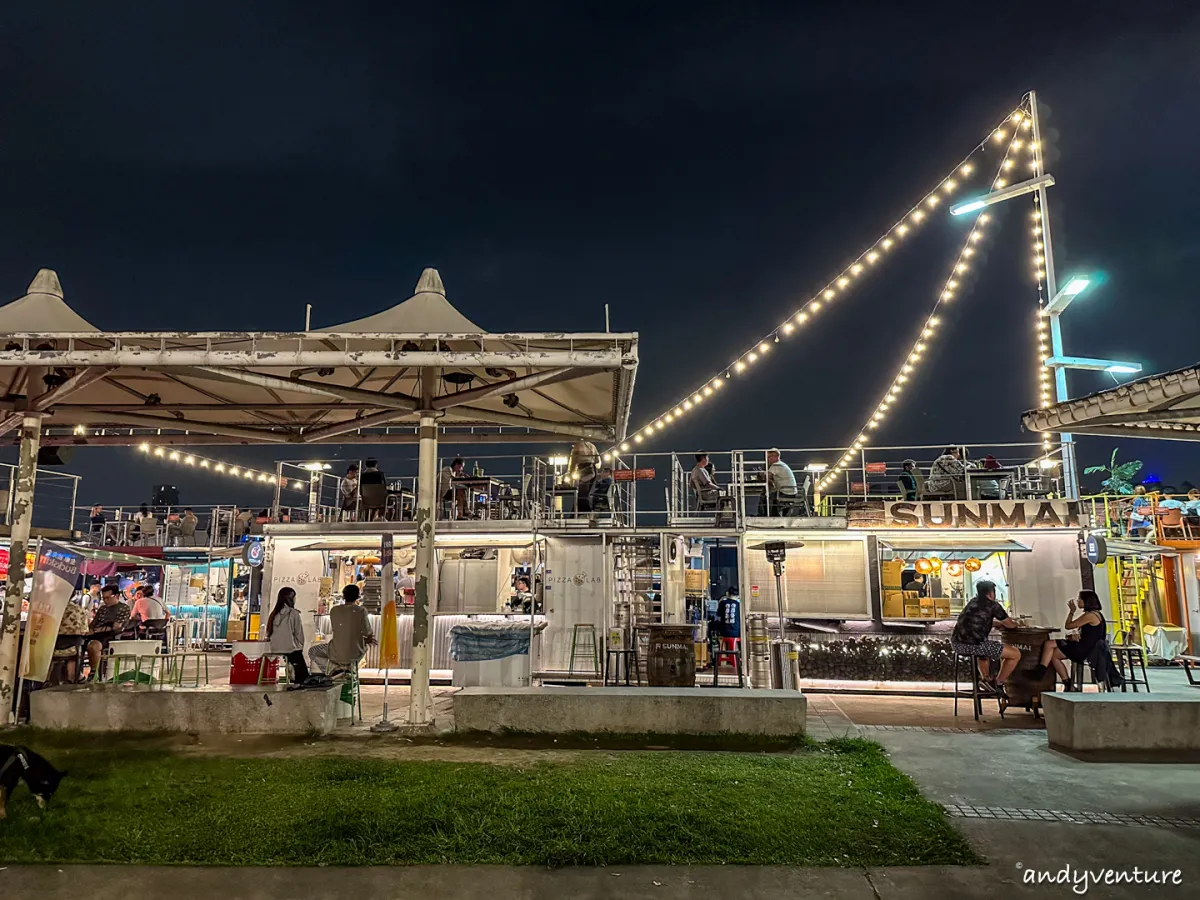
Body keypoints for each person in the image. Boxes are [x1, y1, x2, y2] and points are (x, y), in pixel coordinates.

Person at [950, 580, 1021, 705]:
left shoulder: (972, 602)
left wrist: (993, 623)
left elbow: (977, 619)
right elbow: (1010, 625)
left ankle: (986, 679)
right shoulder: (993, 605)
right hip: (975, 646)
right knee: (1015, 654)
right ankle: (998, 684)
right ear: (990, 593)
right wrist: (1018, 624)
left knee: (983, 649)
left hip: (958, 645)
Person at [308, 584, 376, 674]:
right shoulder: (361, 611)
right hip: (356, 653)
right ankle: (346, 669)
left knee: (312, 651)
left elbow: (340, 629)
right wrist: (366, 640)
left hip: (335, 651)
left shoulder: (334, 610)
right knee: (364, 646)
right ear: (358, 596)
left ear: (343, 596)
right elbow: (367, 632)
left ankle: (335, 669)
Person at [84, 584, 132, 680]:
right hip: (95, 634)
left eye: (108, 598)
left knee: (93, 646)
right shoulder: (102, 608)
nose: (105, 600)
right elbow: (94, 623)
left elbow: (116, 627)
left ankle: (94, 672)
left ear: (117, 596)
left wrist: (95, 630)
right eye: (104, 598)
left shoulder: (124, 608)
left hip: (110, 636)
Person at [266, 586, 310, 683]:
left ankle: (298, 679)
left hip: (274, 647)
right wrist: (300, 646)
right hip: (290, 647)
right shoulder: (293, 613)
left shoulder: (274, 614)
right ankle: (301, 681)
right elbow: (299, 634)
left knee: (294, 654)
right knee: (297, 655)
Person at [52, 596, 92, 683]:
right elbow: (84, 631)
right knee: (76, 649)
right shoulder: (80, 610)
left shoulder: (50, 609)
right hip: (72, 648)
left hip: (50, 648)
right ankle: (72, 677)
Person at [569, 439, 600, 515]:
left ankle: (582, 512)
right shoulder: (592, 445)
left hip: (584, 469)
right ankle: (585, 511)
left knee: (582, 492)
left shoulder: (577, 446)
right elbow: (597, 460)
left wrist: (571, 472)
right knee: (587, 492)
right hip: (592, 470)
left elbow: (573, 460)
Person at [766, 449, 798, 516]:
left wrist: (761, 475)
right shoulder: (781, 464)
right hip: (792, 492)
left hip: (786, 493)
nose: (768, 459)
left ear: (775, 456)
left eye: (769, 457)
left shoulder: (775, 465)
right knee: (772, 494)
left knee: (766, 496)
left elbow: (766, 478)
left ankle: (769, 515)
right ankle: (774, 515)